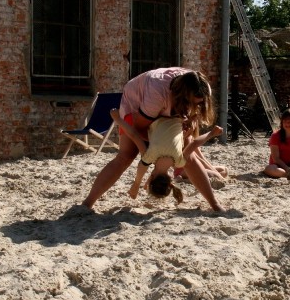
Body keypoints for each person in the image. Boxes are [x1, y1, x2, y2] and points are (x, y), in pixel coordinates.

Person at [82, 67, 224, 211]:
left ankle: (215, 204)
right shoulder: (156, 95)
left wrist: (188, 123)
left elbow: (135, 136)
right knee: (126, 155)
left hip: (166, 115)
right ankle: (88, 203)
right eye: (191, 103)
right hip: (137, 105)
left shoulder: (201, 88)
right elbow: (138, 128)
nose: (195, 106)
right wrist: (164, 139)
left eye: (198, 103)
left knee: (189, 154)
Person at [109, 109, 223, 203]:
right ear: (151, 178)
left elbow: (195, 143)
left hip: (179, 114)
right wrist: (118, 119)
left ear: (170, 181)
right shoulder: (148, 157)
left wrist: (211, 133)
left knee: (183, 132)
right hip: (157, 114)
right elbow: (133, 135)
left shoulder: (179, 161)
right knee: (145, 136)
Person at [263, 108, 290, 178]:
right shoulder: (275, 136)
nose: (287, 123)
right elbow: (276, 158)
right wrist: (288, 169)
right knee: (271, 169)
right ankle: (289, 175)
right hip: (278, 165)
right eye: (285, 121)